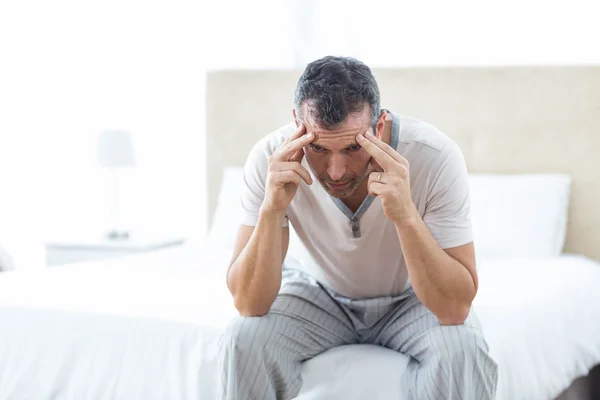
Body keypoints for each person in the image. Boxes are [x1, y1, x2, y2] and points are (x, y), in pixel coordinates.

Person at [218, 56, 498, 400]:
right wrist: (272, 209)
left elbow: (456, 308)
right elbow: (248, 304)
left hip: (411, 300)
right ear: (297, 124)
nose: (335, 171)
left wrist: (406, 215)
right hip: (318, 295)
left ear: (379, 126)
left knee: (463, 347)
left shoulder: (435, 156)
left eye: (352, 147)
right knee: (242, 339)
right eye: (318, 148)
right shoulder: (269, 160)